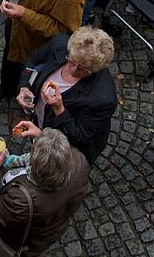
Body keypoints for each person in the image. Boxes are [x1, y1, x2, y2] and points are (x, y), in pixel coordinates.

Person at [0, 127, 90, 257]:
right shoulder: (81, 162)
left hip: (22, 243)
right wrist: (47, 140)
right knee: (37, 256)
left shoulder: (21, 201)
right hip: (48, 233)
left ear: (34, 166)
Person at [12, 27, 117, 165]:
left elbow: (79, 138)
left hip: (64, 147)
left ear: (95, 70)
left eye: (83, 69)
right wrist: (24, 86)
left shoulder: (103, 99)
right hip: (41, 118)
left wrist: (59, 108)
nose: (73, 69)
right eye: (71, 61)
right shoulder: (60, 42)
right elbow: (33, 59)